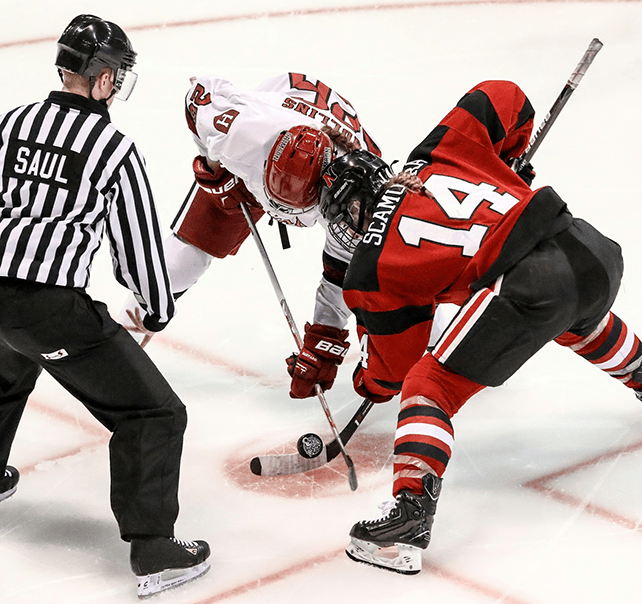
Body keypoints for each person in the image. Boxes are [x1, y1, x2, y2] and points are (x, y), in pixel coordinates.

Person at [315, 79, 642, 574]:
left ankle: (408, 517)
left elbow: (396, 367)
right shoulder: (437, 151)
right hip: (589, 248)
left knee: (429, 384)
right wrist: (509, 162)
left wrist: (367, 382)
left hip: (530, 282)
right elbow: (503, 95)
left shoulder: (369, 266)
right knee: (573, 318)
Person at [0, 15, 210, 597]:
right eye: (115, 76)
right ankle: (155, 552)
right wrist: (157, 307)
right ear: (99, 77)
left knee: (7, 367)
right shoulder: (111, 148)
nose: (116, 86)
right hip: (51, 308)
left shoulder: (14, 121)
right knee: (154, 414)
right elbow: (138, 246)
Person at [119, 72, 383, 399]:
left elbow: (338, 276)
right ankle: (116, 349)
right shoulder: (244, 134)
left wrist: (324, 341)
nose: (273, 210)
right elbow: (199, 95)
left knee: (375, 274)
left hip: (318, 158)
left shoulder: (354, 199)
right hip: (274, 124)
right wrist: (215, 167)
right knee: (177, 267)